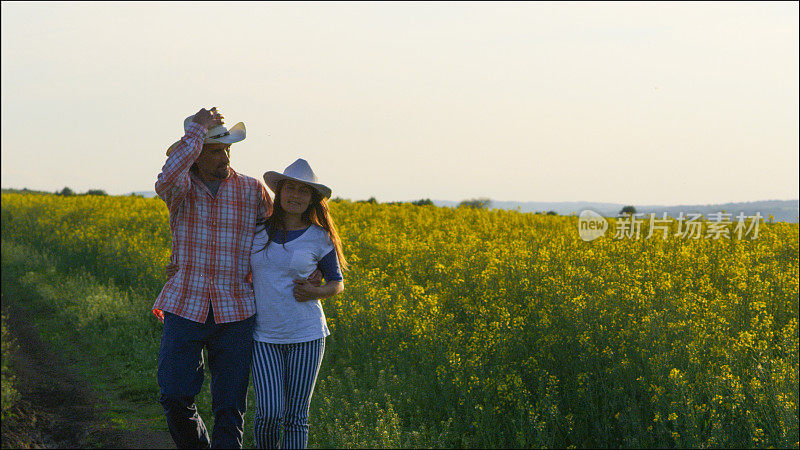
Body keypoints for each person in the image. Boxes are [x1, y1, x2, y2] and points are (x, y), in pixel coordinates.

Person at [154, 108, 323, 449]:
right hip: (185, 303)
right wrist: (197, 131)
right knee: (174, 396)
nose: (225, 156)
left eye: (227, 148)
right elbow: (167, 178)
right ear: (196, 154)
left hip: (236, 311)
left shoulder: (251, 190)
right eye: (215, 150)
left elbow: (281, 234)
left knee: (230, 407)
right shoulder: (181, 189)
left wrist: (315, 263)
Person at [250, 158, 347, 449]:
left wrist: (315, 293)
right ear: (279, 192)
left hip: (306, 334)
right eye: (290, 188)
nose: (295, 195)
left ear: (312, 199)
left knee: (296, 416)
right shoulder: (256, 230)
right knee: (268, 414)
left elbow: (336, 283)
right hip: (263, 336)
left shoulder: (320, 238)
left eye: (303, 191)